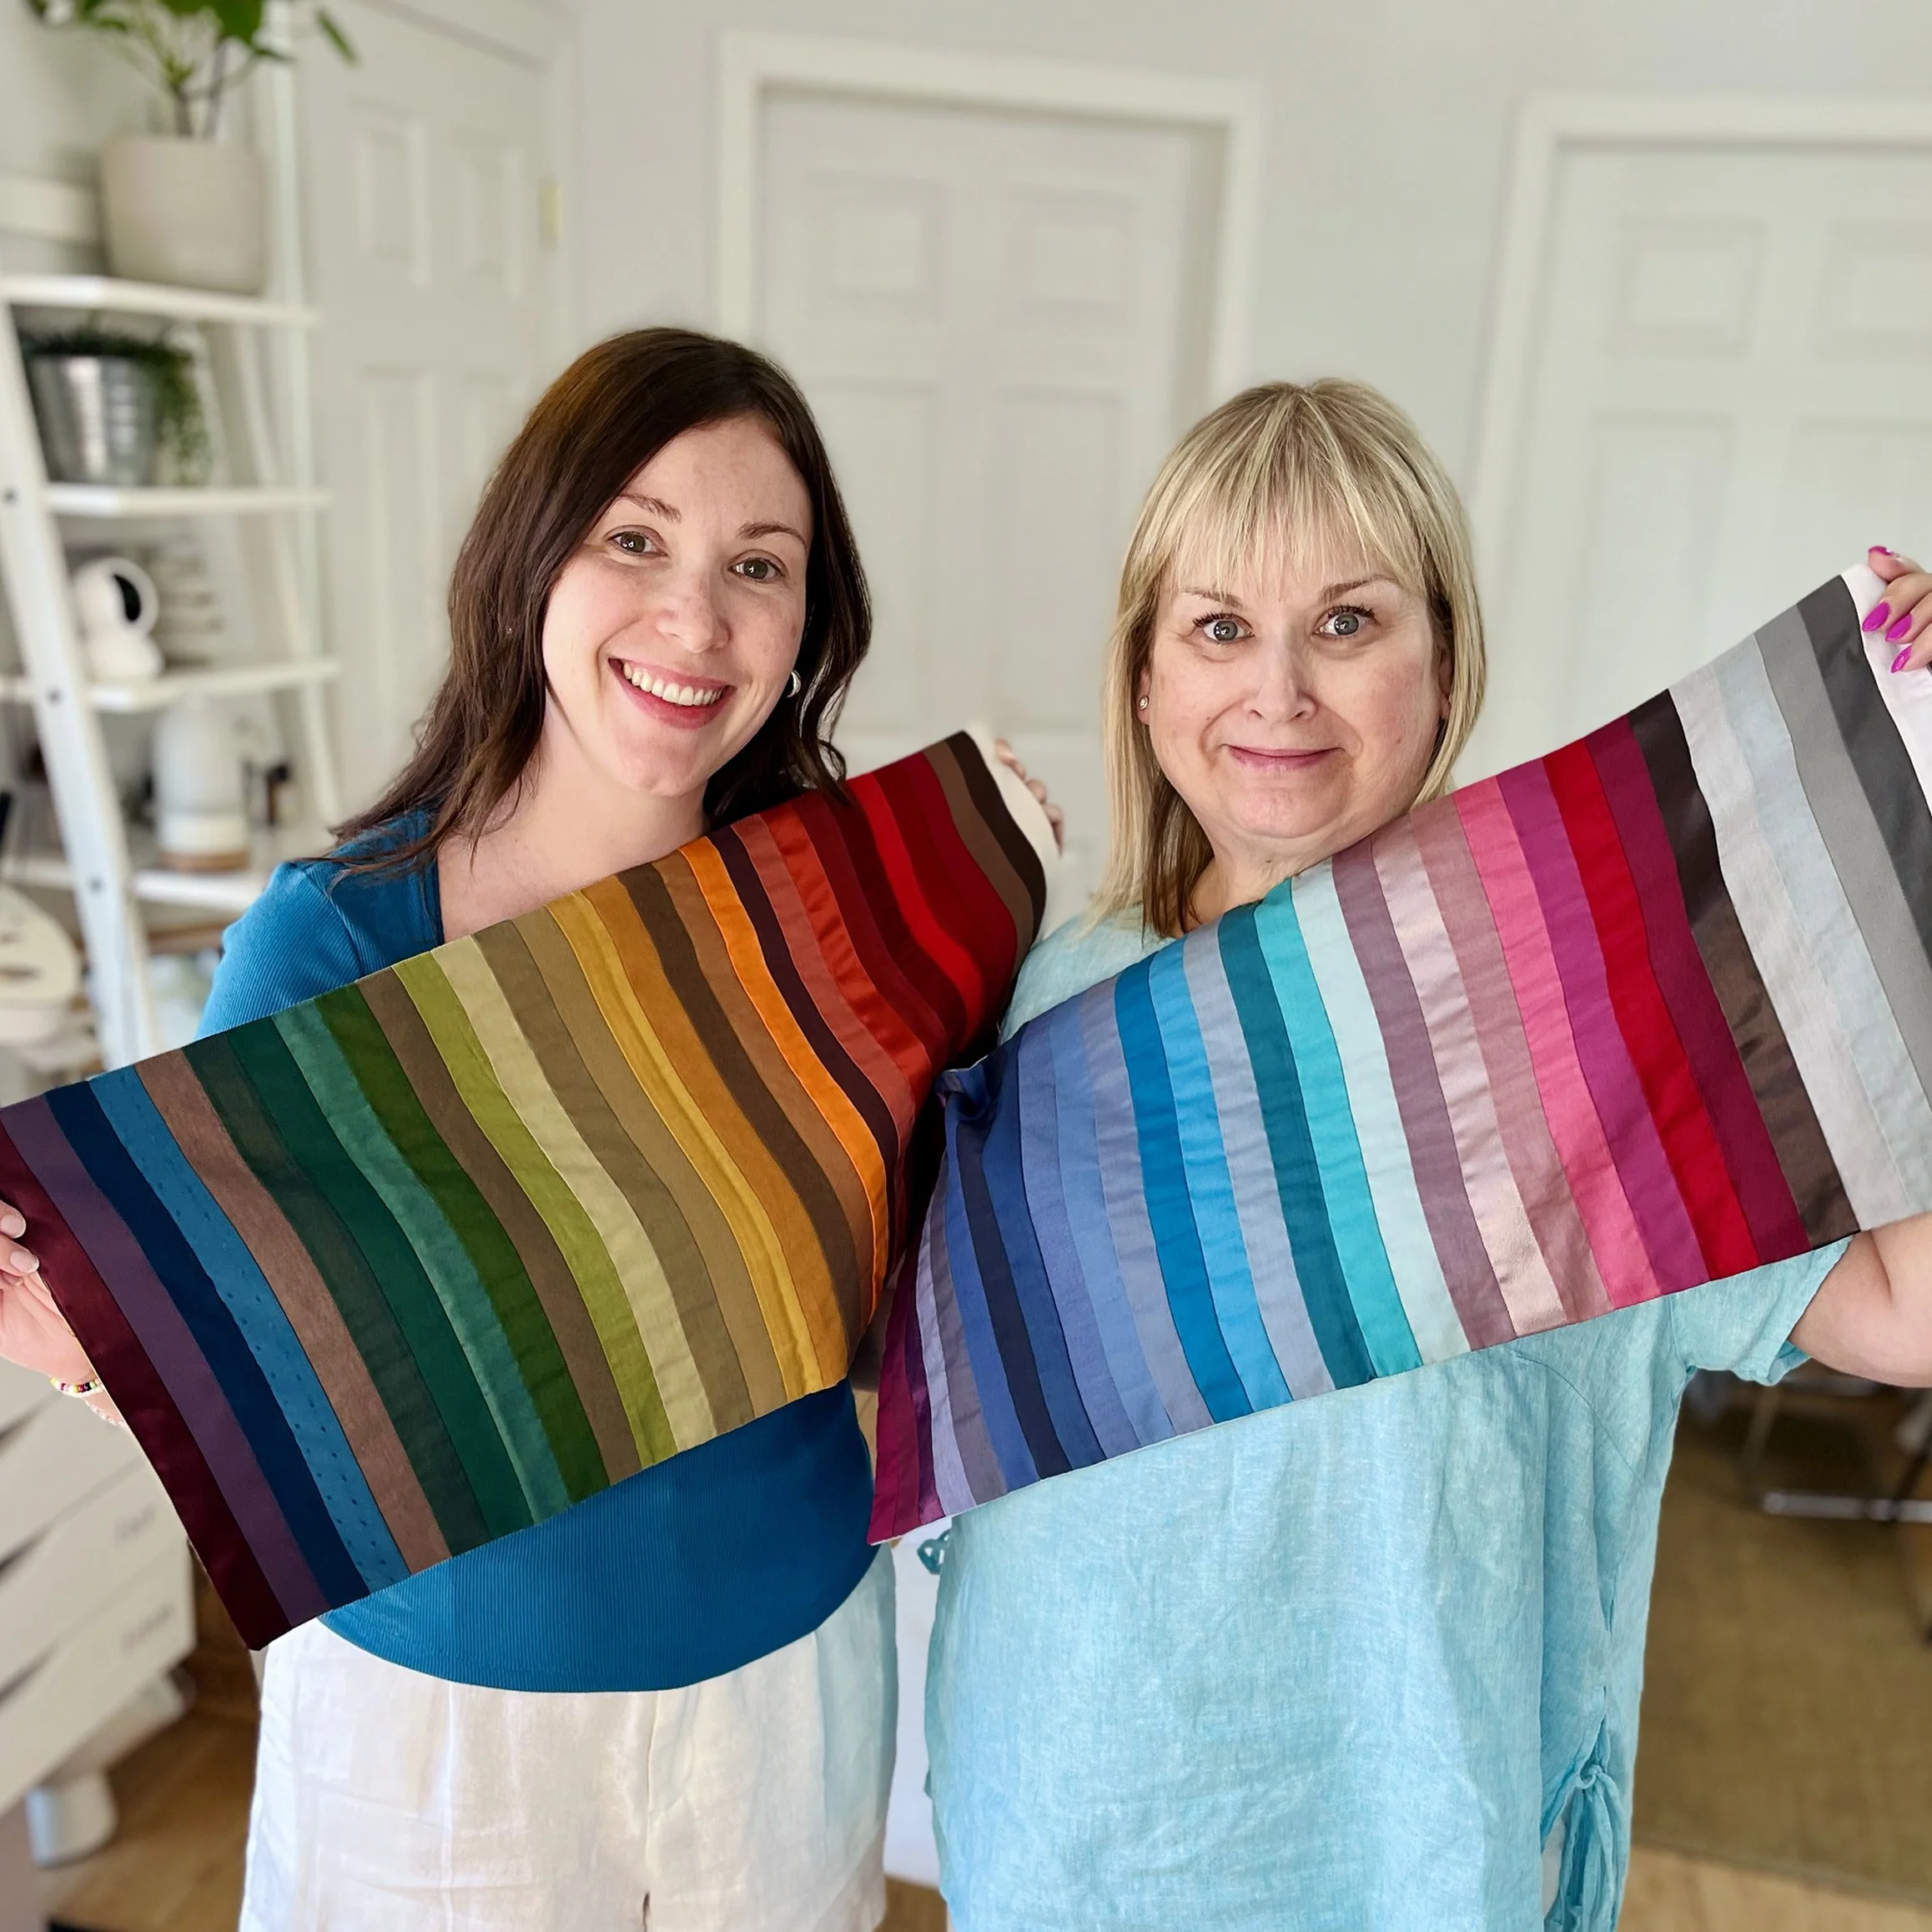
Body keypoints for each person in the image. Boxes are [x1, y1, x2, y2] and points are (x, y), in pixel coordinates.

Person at [0, 326, 1041, 1932]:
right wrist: (82, 1345)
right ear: (530, 560)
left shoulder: (850, 921)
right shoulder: (340, 944)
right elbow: (264, 1383)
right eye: (635, 539)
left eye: (759, 566)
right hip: (436, 1731)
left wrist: (998, 884)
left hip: (783, 1695)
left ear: (807, 620)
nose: (696, 619)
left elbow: (908, 1318)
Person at [922, 378, 1932, 1931]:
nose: (1279, 694)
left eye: (1346, 624)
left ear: (1443, 663)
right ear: (1139, 680)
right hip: (1072, 1830)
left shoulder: (1580, 1010)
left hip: (1410, 1849)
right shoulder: (1026, 1009)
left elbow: (1899, 1315)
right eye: (1216, 628)